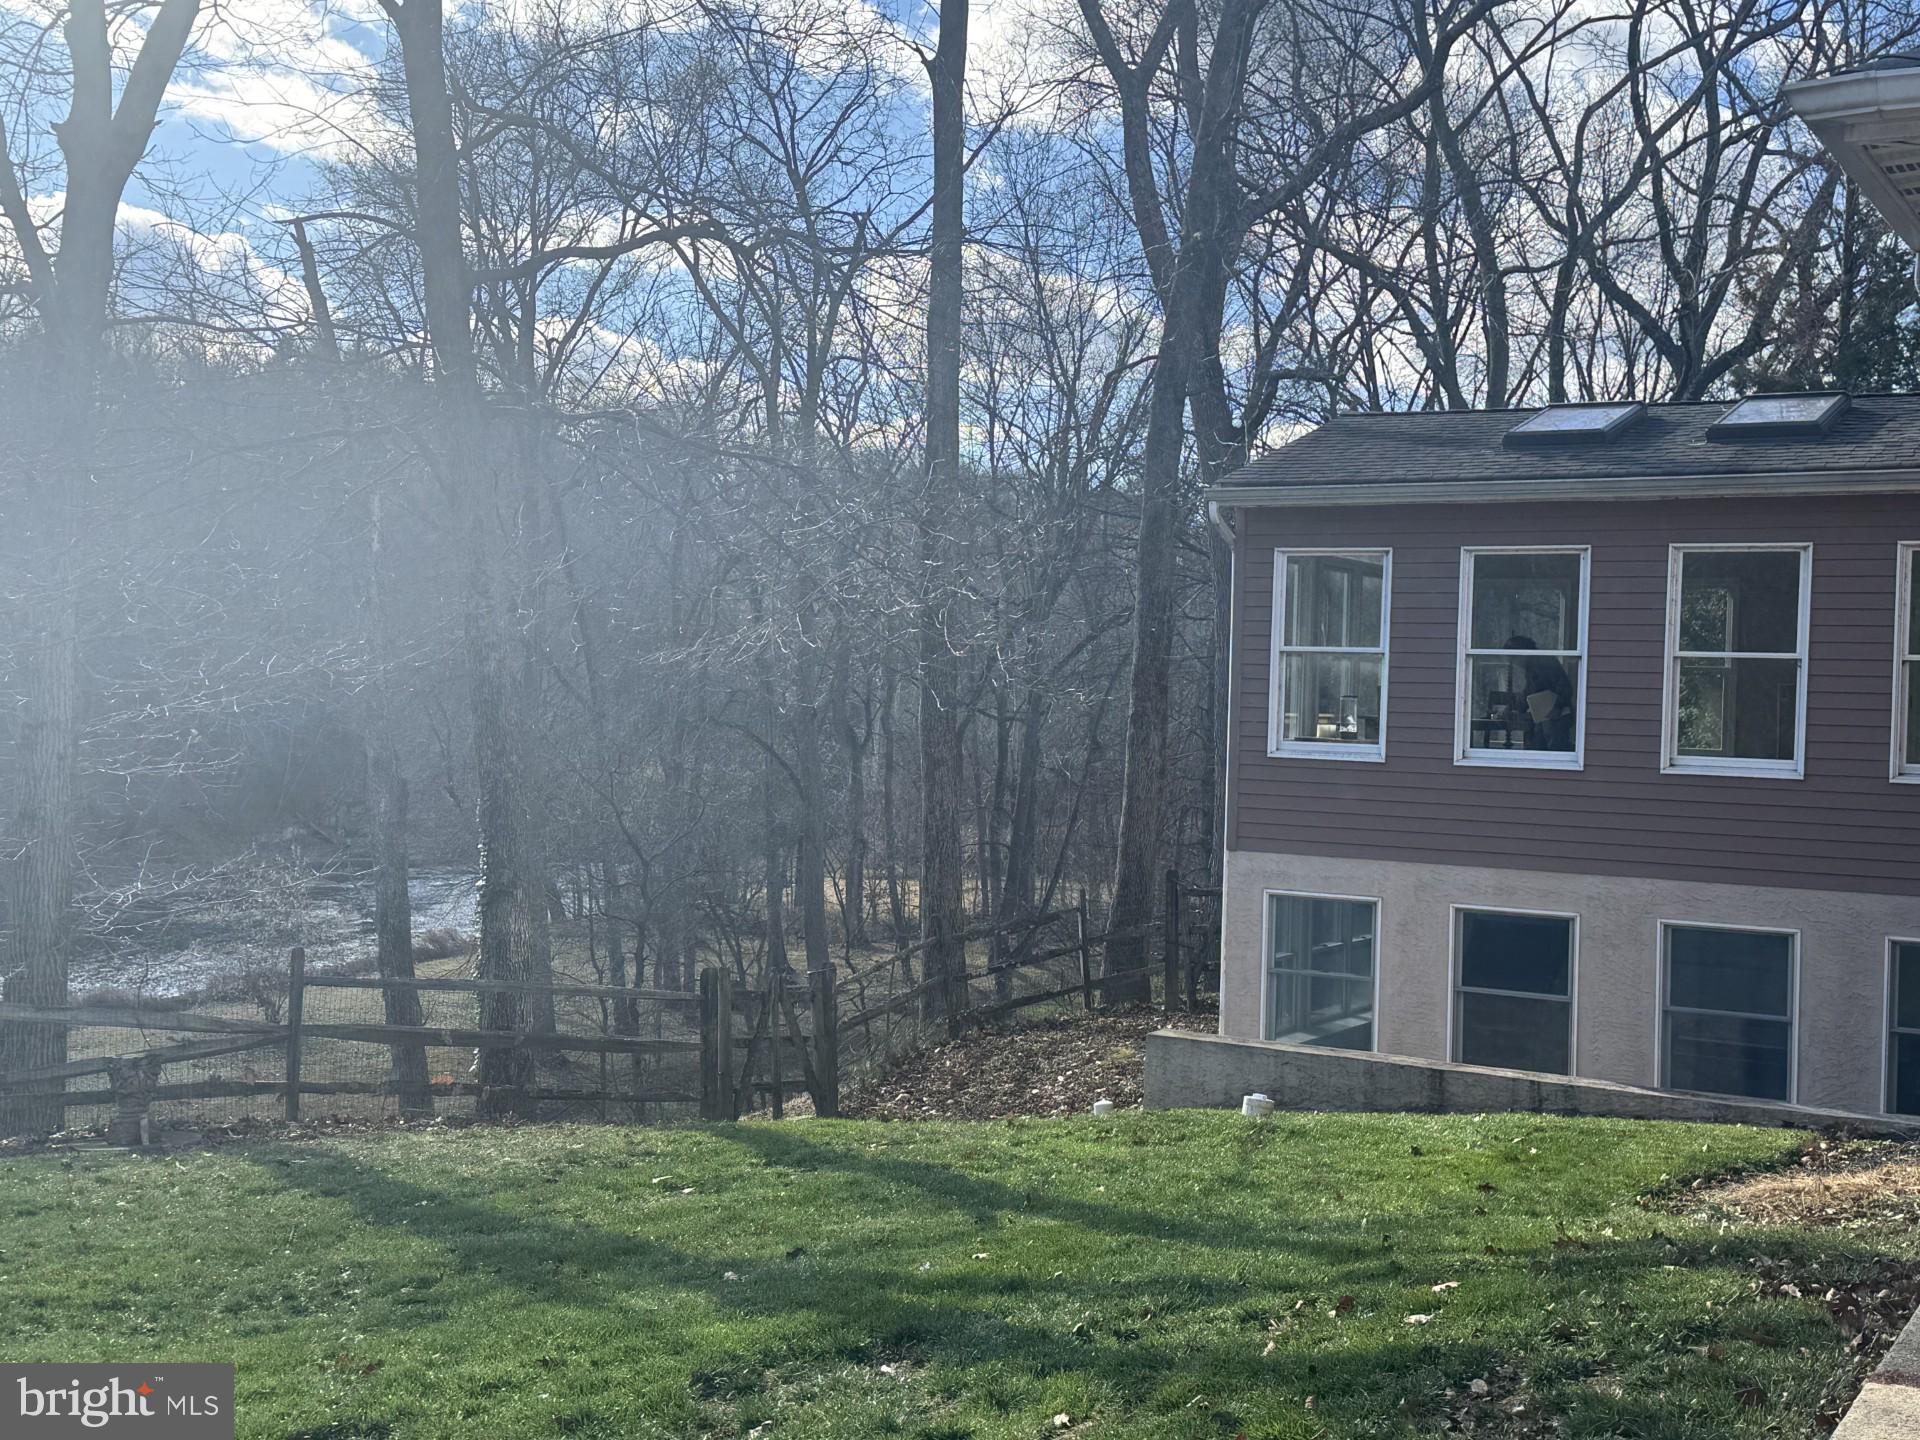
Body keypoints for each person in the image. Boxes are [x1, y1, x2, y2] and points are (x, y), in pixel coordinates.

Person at [1503, 634, 1575, 751]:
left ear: (1522, 653)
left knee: (1554, 751)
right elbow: (1529, 692)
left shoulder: (1545, 663)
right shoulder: (1532, 667)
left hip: (1557, 718)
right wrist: (1512, 707)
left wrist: (1557, 707)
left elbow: (1565, 688)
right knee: (1537, 748)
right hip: (1543, 718)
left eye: (1514, 659)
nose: (1515, 664)